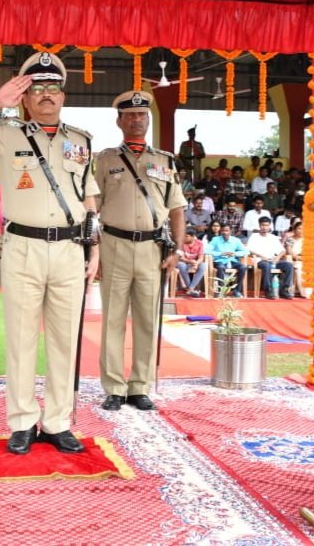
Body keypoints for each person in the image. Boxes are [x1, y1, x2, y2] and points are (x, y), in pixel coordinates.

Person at [0, 52, 100, 455]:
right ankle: (22, 421)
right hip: (23, 248)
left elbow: (89, 199)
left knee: (66, 341)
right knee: (21, 338)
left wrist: (94, 247)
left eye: (54, 88)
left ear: (64, 96)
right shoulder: (6, 135)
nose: (47, 95)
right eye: (37, 89)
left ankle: (58, 422)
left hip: (69, 248)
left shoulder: (80, 141)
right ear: (25, 97)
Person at [94, 89, 186, 411]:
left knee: (148, 320)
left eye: (142, 115)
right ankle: (114, 388)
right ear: (119, 121)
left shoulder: (164, 161)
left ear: (148, 119)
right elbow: (92, 207)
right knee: (112, 320)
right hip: (113, 246)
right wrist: (93, 252)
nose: (137, 120)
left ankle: (140, 386)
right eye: (130, 115)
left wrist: (175, 249)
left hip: (152, 250)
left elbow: (176, 209)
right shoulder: (104, 160)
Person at [246, 216, 294, 299]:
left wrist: (277, 258)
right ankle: (268, 291)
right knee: (266, 266)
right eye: (262, 225)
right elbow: (249, 250)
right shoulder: (254, 236)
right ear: (259, 225)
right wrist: (261, 256)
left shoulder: (272, 237)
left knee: (288, 265)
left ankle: (284, 290)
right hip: (261, 261)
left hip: (273, 260)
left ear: (269, 226)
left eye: (267, 225)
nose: (264, 227)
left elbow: (282, 250)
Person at [206, 223, 248, 297]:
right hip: (219, 261)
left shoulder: (236, 240)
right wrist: (220, 254)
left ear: (230, 231)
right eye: (223, 230)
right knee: (220, 267)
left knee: (243, 267)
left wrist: (235, 253)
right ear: (220, 231)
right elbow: (206, 251)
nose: (225, 232)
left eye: (227, 230)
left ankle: (237, 290)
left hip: (232, 261)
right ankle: (221, 291)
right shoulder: (215, 240)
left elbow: (246, 251)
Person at [176, 227, 206, 297]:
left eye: (186, 236)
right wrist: (189, 261)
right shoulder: (182, 243)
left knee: (203, 265)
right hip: (185, 263)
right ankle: (191, 289)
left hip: (195, 263)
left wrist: (196, 263)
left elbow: (201, 258)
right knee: (180, 264)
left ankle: (190, 288)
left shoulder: (199, 243)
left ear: (193, 237)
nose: (184, 238)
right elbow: (181, 258)